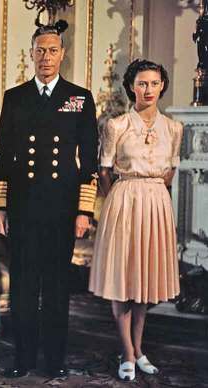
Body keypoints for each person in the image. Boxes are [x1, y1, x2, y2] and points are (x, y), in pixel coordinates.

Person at [0, 21, 99, 378]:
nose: (46, 57)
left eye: (53, 50)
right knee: (23, 286)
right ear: (31, 53)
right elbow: (4, 154)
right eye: (40, 50)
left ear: (62, 54)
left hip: (61, 206)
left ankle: (54, 361)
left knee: (56, 287)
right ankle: (22, 359)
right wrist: (1, 205)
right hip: (23, 206)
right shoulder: (15, 96)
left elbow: (90, 158)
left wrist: (84, 210)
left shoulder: (79, 97)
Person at [89, 59, 182, 382]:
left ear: (162, 87)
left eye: (155, 83)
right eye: (142, 83)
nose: (149, 89)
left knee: (145, 282)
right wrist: (116, 200)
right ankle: (126, 352)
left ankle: (139, 349)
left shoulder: (173, 128)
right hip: (124, 200)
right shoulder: (116, 126)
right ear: (131, 87)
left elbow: (170, 172)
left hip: (156, 202)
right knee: (123, 279)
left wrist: (153, 195)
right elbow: (104, 169)